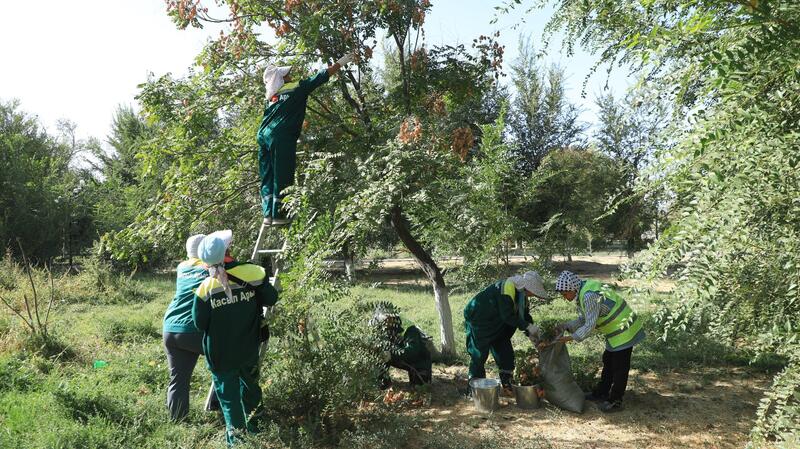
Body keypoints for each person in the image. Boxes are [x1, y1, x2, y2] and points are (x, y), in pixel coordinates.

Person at [193, 230, 279, 446]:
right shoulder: (254, 272)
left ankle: (238, 443)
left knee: (230, 401)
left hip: (220, 356)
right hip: (248, 349)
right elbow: (271, 298)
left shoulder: (205, 289)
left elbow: (199, 324)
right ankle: (258, 431)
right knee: (251, 388)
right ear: (228, 250)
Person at [257, 52, 355, 223]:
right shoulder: (296, 87)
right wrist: (341, 62)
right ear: (281, 79)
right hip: (280, 136)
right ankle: (280, 214)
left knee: (268, 174)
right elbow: (321, 76)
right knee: (282, 172)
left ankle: (268, 214)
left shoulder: (271, 97)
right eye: (287, 75)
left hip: (263, 135)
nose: (291, 76)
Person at [553, 270, 645, 413]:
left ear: (572, 288)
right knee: (608, 360)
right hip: (616, 330)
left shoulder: (589, 295)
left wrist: (571, 338)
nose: (565, 298)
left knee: (619, 367)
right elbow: (584, 318)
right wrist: (566, 326)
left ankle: (615, 400)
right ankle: (601, 392)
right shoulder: (584, 290)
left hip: (624, 328)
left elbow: (589, 325)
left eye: (565, 294)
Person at [162, 234, 219, 420]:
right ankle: (220, 406)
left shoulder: (182, 267)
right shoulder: (210, 269)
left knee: (178, 379)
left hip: (170, 328)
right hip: (194, 330)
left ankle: (177, 420)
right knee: (227, 362)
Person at [463, 271, 549, 392]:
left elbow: (523, 316)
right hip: (480, 321)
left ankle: (507, 384)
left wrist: (532, 334)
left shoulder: (522, 295)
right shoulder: (507, 288)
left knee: (505, 353)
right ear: (526, 287)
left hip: (498, 325)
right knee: (479, 355)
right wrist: (527, 326)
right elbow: (507, 316)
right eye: (533, 292)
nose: (533, 295)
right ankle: (475, 390)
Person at [370, 305, 433, 388]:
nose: (384, 322)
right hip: (396, 355)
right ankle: (382, 381)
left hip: (418, 360)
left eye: (386, 319)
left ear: (393, 317)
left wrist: (390, 354)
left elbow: (412, 351)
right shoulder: (380, 326)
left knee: (421, 386)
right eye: (382, 320)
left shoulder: (409, 329)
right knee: (377, 353)